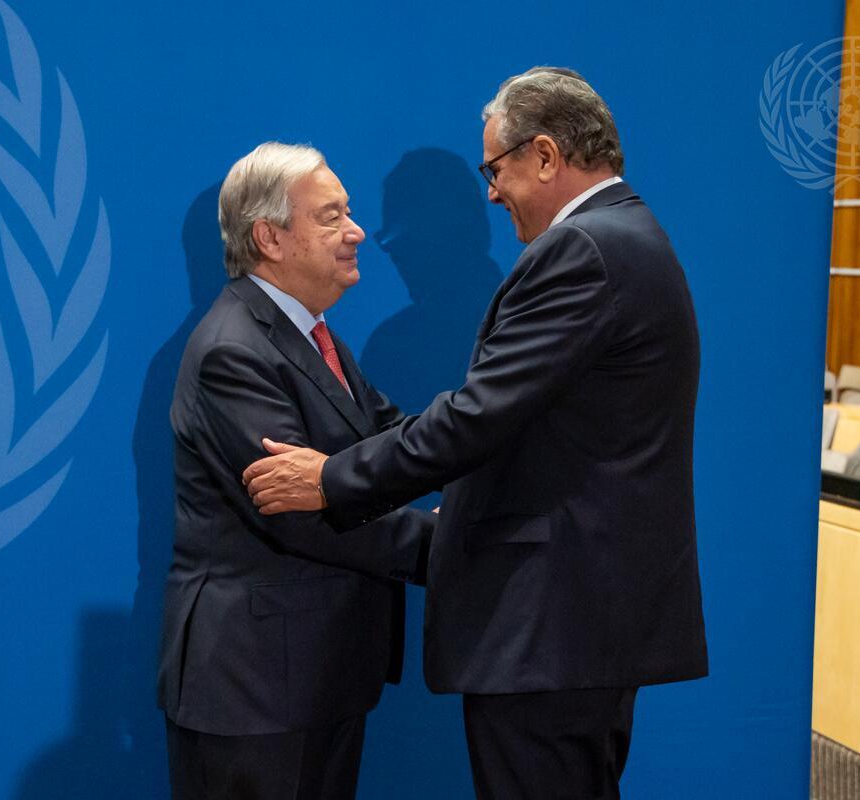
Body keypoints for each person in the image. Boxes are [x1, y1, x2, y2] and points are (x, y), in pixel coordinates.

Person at [243, 69, 708, 799]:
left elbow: (477, 417)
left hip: (554, 628)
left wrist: (330, 480)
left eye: (496, 170)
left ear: (545, 156)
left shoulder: (582, 249)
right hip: (580, 624)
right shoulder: (625, 236)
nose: (492, 194)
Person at [158, 142, 434, 799]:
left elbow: (396, 443)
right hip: (254, 690)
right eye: (331, 216)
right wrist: (448, 546)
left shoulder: (313, 336)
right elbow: (300, 511)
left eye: (349, 213)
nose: (357, 232)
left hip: (314, 677)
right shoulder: (234, 350)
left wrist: (496, 447)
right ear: (270, 238)